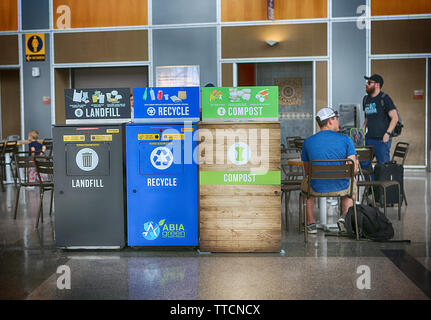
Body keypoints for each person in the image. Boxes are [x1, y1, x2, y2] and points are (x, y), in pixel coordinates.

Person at [301, 108, 357, 234]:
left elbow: (308, 171)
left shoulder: (307, 142)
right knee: (351, 180)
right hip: (341, 187)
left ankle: (310, 223)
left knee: (305, 183)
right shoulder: (346, 139)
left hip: (315, 188)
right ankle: (345, 217)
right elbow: (353, 169)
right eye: (336, 119)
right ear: (330, 121)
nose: (338, 122)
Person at [362, 74, 399, 163]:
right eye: (367, 82)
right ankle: (371, 177)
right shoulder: (366, 99)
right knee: (363, 163)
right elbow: (367, 117)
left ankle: (380, 177)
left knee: (383, 166)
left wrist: (387, 134)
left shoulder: (385, 98)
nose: (366, 84)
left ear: (377, 85)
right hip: (368, 138)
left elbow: (395, 118)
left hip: (382, 139)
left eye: (369, 83)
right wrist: (362, 130)